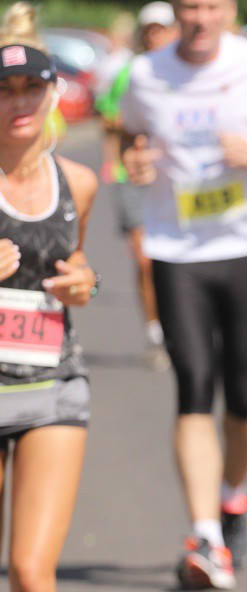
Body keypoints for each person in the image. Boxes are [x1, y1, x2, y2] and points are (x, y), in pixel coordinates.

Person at [119, 0, 247, 588]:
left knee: (241, 394)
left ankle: (232, 496)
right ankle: (205, 535)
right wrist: (136, 160)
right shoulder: (146, 73)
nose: (200, 19)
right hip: (175, 249)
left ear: (229, 10)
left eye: (212, 7)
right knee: (193, 385)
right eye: (190, 7)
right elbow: (131, 134)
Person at [0, 3, 99, 590]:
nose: (18, 103)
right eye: (4, 90)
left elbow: (73, 259)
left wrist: (86, 282)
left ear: (52, 93)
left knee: (32, 572)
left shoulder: (77, 183)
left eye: (30, 89)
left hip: (53, 385)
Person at [95, 1, 178, 371]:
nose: (157, 36)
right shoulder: (131, 71)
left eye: (163, 29)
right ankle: (155, 333)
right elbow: (107, 115)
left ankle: (183, 327)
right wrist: (123, 142)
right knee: (145, 260)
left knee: (174, 259)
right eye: (151, 30)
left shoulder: (185, 71)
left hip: (173, 177)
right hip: (131, 175)